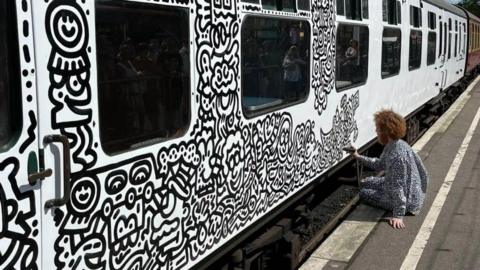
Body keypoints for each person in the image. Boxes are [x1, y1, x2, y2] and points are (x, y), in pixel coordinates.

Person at [350, 109, 429, 229]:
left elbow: (398, 187)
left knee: (364, 193)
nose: (376, 131)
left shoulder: (397, 157)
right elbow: (380, 164)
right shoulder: (397, 144)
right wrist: (358, 156)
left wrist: (398, 215)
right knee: (367, 182)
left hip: (408, 200)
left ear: (385, 131)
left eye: (378, 129)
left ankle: (400, 208)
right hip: (411, 189)